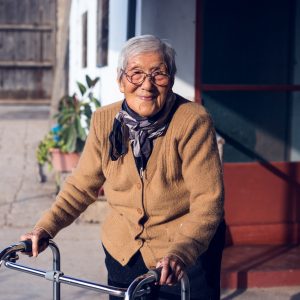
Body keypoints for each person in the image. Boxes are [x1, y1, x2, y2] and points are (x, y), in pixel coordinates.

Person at [21, 35, 225, 300]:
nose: (147, 85)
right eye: (136, 73)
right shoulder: (104, 120)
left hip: (185, 254)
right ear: (120, 81)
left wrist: (181, 253)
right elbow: (81, 186)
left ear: (171, 80)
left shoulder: (193, 121)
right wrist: (44, 229)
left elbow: (208, 201)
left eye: (158, 74)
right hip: (124, 253)